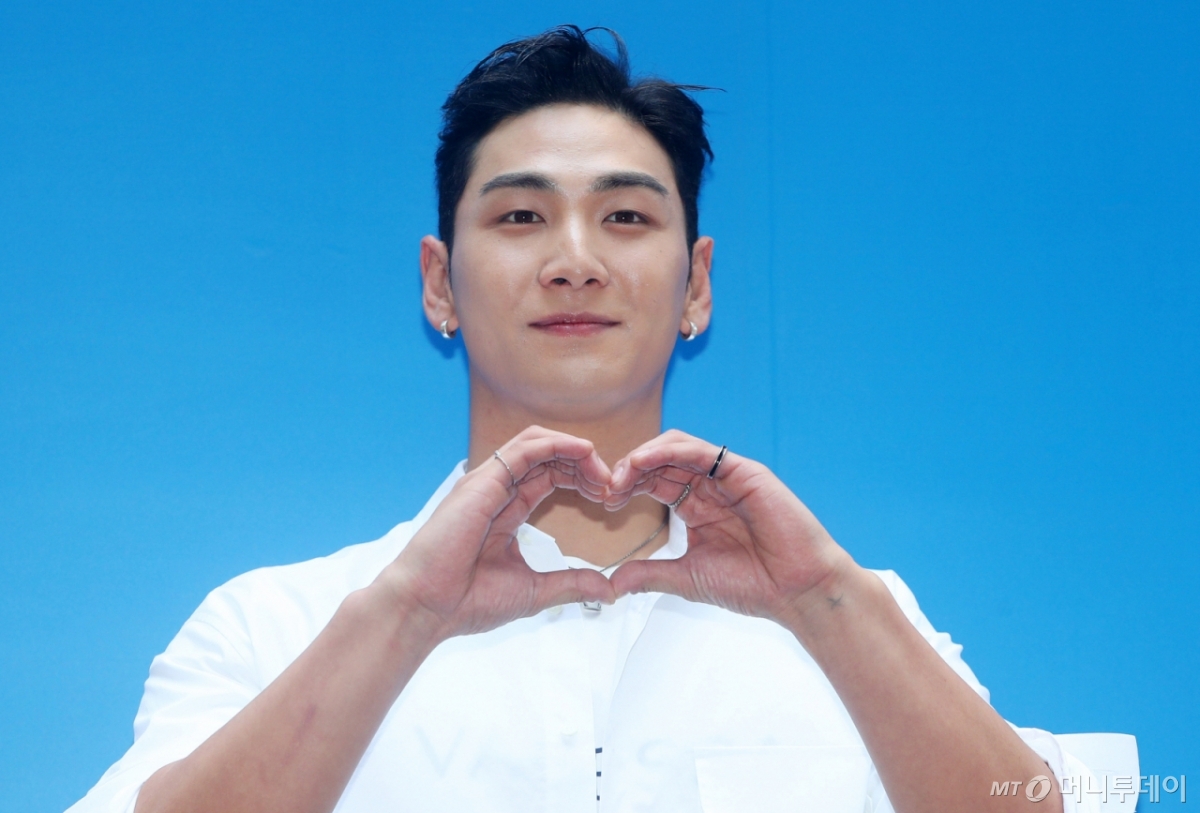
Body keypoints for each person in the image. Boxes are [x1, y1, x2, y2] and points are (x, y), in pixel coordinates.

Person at [69, 25, 1097, 813]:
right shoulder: (271, 627)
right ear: (439, 284)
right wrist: (406, 614)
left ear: (698, 286)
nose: (575, 260)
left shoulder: (858, 621)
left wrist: (827, 601)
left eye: (627, 216)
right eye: (521, 216)